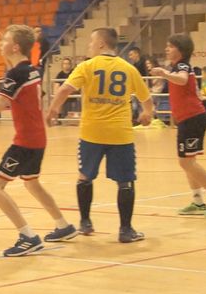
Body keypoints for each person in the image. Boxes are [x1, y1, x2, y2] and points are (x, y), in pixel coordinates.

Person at [0, 25, 77, 256]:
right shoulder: (31, 70)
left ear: (15, 47)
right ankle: (63, 226)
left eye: (5, 41)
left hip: (25, 142)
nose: (0, 44)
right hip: (38, 137)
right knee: (32, 183)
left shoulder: (16, 74)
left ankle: (28, 236)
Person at [46, 28, 154, 243]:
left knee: (84, 176)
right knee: (125, 181)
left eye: (91, 42)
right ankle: (126, 230)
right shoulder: (128, 68)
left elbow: (64, 90)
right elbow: (146, 98)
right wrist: (147, 113)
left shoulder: (87, 66)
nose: (89, 46)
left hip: (91, 133)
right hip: (120, 133)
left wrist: (53, 110)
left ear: (102, 44)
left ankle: (85, 222)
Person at [149, 37, 206, 217]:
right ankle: (198, 202)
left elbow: (182, 80)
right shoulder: (176, 67)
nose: (167, 49)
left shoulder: (183, 66)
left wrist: (164, 73)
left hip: (192, 118)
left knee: (186, 162)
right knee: (187, 161)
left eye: (171, 46)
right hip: (186, 119)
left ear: (181, 50)